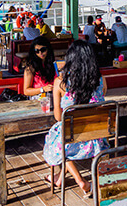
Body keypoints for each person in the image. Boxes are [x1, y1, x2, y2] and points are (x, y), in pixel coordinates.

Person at [42, 40, 107, 193]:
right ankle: (58, 177)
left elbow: (58, 117)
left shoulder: (60, 83)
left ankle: (79, 180)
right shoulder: (100, 80)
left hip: (71, 140)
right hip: (97, 139)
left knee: (58, 142)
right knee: (66, 139)